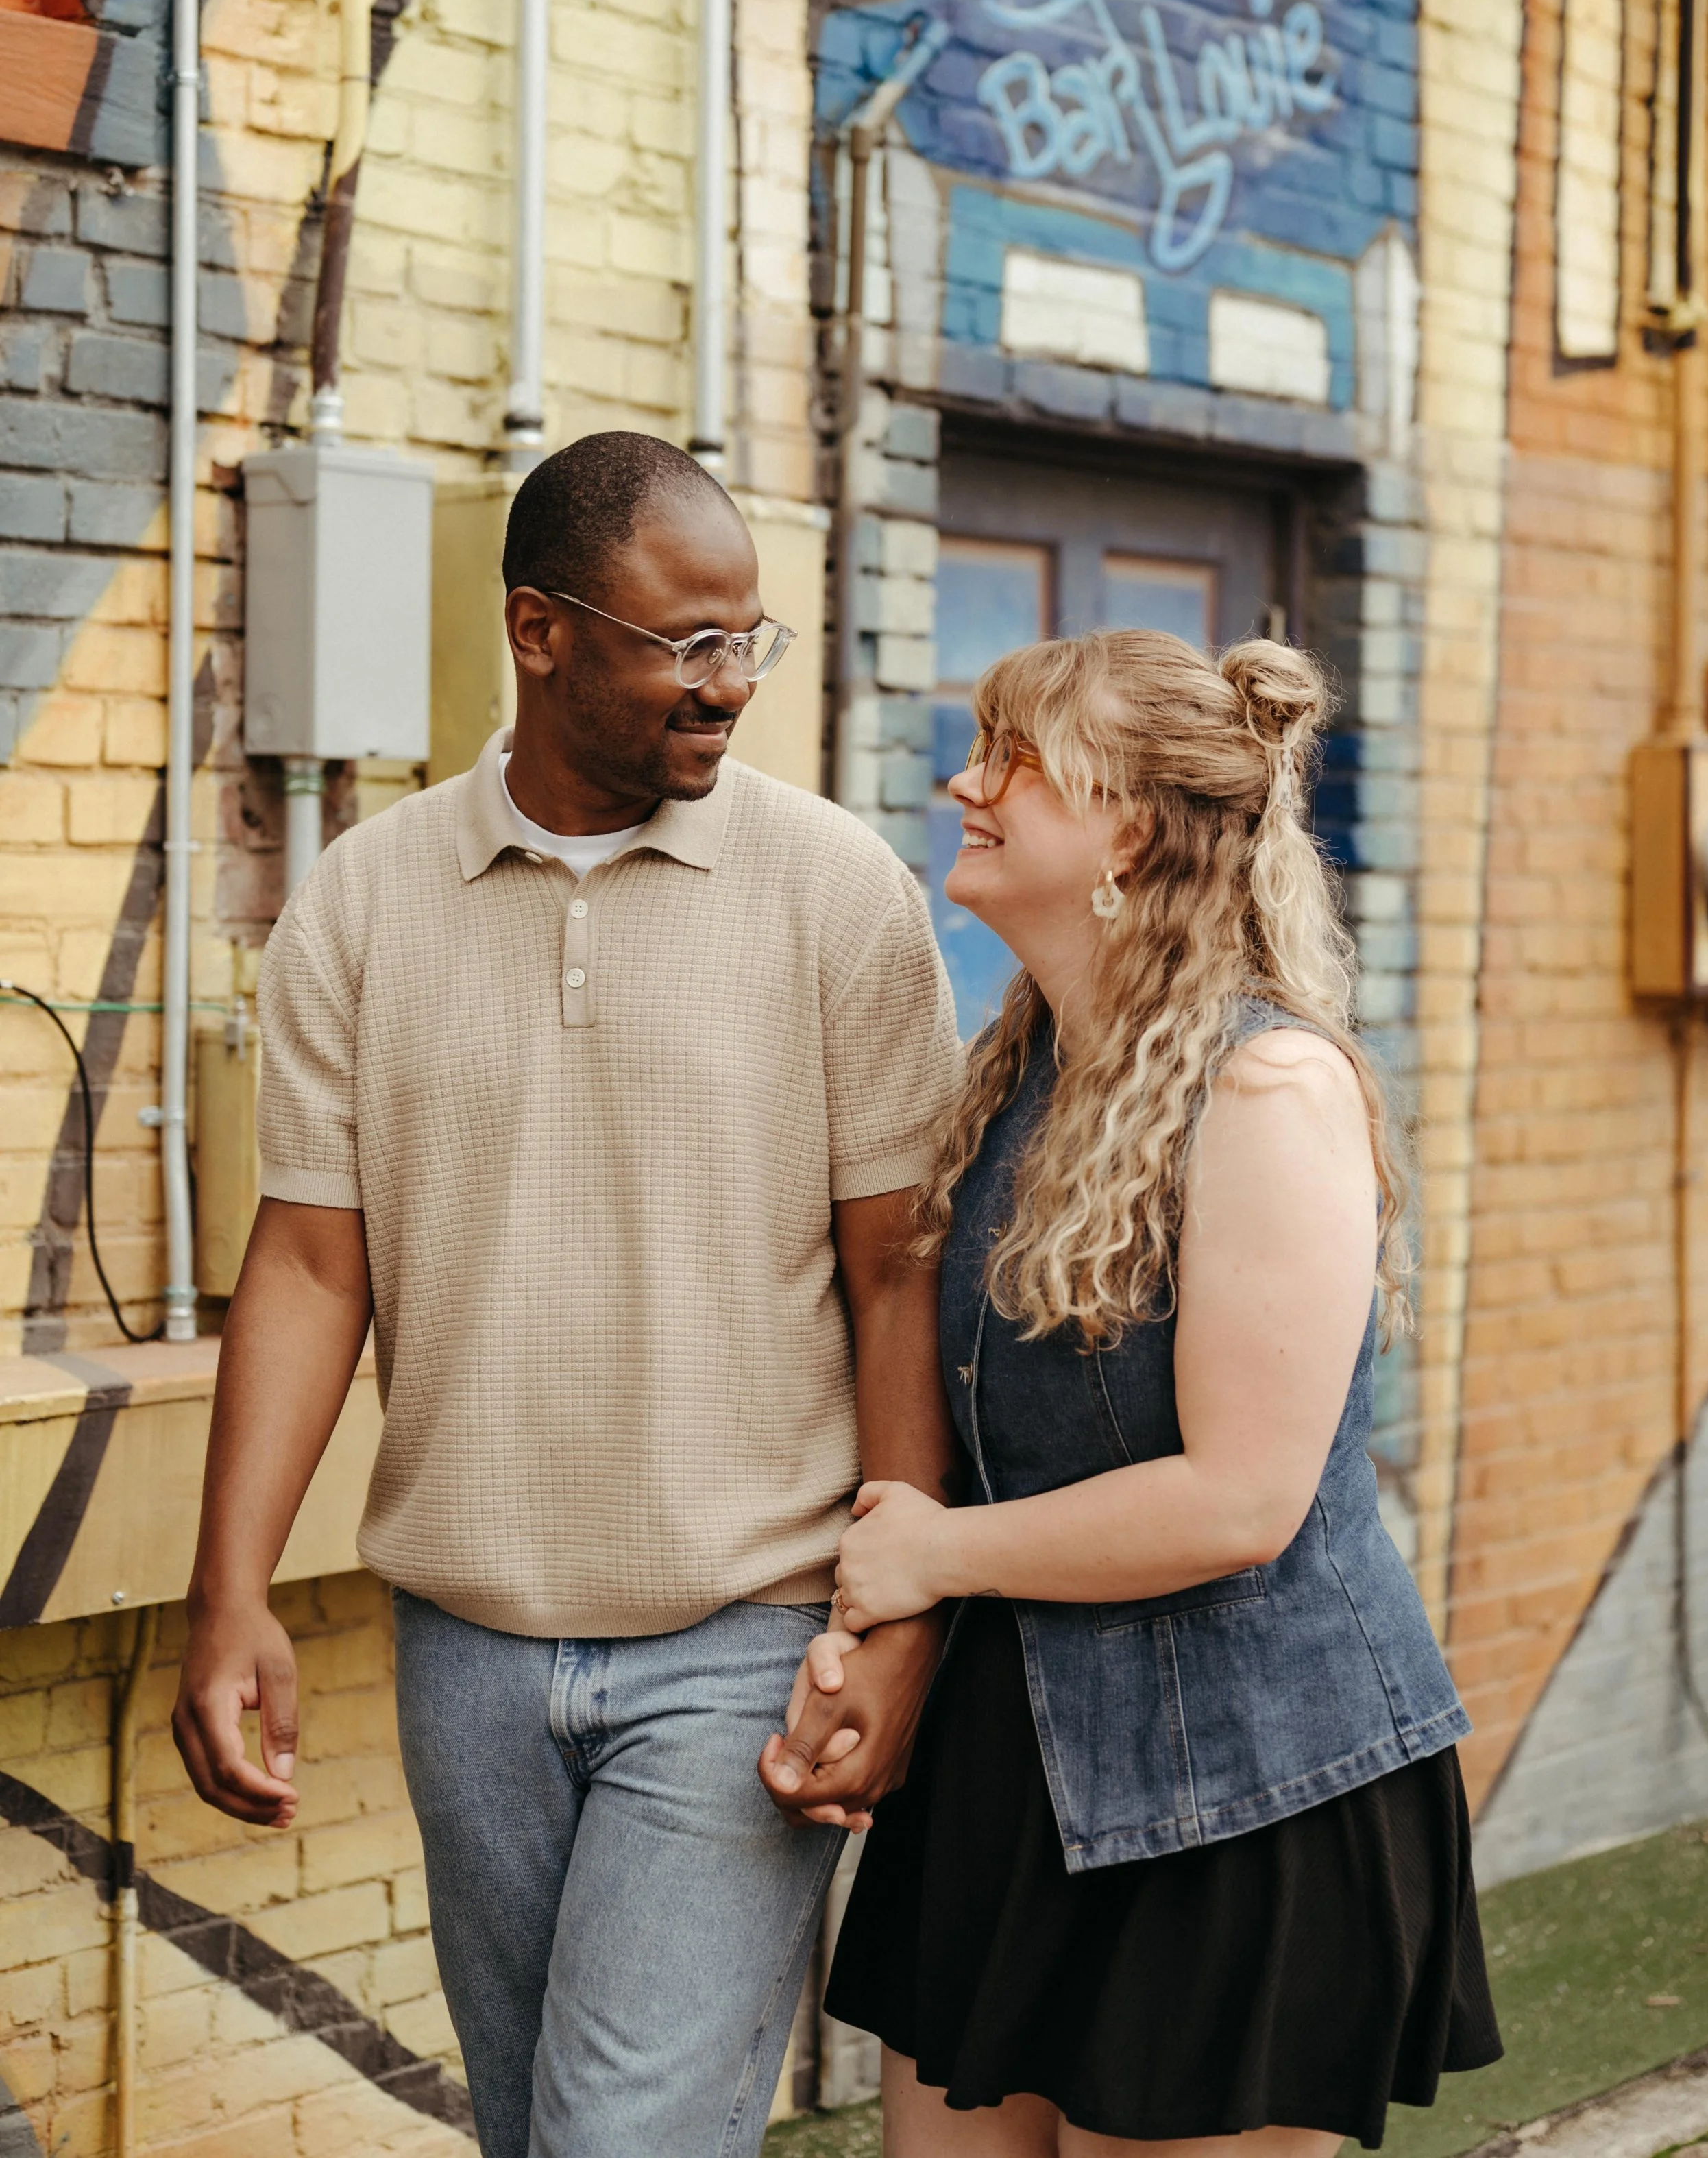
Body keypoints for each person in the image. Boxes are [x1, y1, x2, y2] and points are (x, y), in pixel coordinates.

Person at [171, 431, 963, 2158]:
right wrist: (226, 1592)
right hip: (467, 1646)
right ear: (540, 632)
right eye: (685, 643)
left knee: (618, 2140)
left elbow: (898, 1276)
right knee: (535, 2131)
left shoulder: (836, 894)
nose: (728, 685)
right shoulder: (365, 902)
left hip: (742, 1631)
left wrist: (894, 1622)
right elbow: (311, 1264)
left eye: (747, 637)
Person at [814, 629, 1502, 2157]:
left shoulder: (1266, 1093)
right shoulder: (1019, 1077)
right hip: (1020, 1763)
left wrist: (930, 1554)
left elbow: (1242, 1500)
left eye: (1007, 759)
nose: (959, 783)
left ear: (1125, 822)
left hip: (1247, 1786)